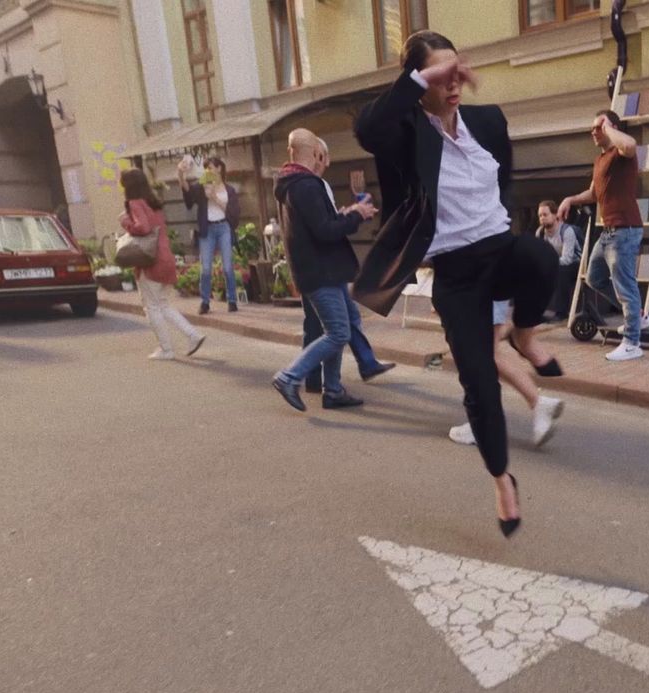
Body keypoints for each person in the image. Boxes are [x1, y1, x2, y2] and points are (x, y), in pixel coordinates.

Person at [353, 29, 562, 537]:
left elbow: (502, 178)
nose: (454, 82)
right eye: (439, 74)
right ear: (418, 80)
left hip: (499, 250)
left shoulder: (487, 121)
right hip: (457, 276)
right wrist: (417, 79)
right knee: (480, 389)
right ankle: (501, 481)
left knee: (540, 256)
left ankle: (526, 336)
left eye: (456, 69)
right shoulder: (405, 134)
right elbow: (366, 127)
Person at [269, 128, 384, 411]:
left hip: (321, 269)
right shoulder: (306, 185)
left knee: (340, 328)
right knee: (338, 333)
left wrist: (345, 214)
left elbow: (318, 225)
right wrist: (356, 215)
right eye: (324, 156)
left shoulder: (292, 183)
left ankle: (332, 390)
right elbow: (325, 231)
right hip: (322, 271)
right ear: (317, 154)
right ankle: (289, 376)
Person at [557, 109, 649, 361]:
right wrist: (569, 199)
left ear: (614, 128)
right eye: (593, 128)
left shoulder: (622, 153)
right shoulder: (601, 159)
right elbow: (593, 193)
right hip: (608, 232)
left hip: (625, 229)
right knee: (595, 278)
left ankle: (632, 342)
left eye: (600, 126)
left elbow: (630, 144)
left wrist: (608, 128)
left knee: (625, 286)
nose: (594, 131)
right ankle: (638, 316)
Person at [447, 298, 564, 448]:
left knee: (483, 353)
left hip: (484, 286)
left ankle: (482, 422)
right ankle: (538, 402)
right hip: (493, 288)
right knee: (486, 352)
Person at [119, 168, 205, 360]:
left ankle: (166, 349)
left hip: (149, 261)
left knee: (152, 307)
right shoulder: (154, 203)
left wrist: (126, 223)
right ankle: (193, 335)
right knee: (163, 304)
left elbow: (143, 227)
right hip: (165, 257)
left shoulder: (135, 203)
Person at [179, 155, 241, 314]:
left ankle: (232, 300)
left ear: (219, 168)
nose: (208, 170)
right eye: (205, 168)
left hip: (224, 228)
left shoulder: (229, 190)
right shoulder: (201, 187)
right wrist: (180, 174)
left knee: (228, 267)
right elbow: (187, 191)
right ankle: (205, 302)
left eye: (210, 167)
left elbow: (233, 213)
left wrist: (214, 197)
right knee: (205, 268)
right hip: (208, 229)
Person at [536, 199, 581, 322]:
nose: (542, 218)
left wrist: (549, 265)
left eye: (545, 214)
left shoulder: (566, 231)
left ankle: (561, 313)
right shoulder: (540, 233)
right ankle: (536, 312)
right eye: (540, 215)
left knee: (562, 271)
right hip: (555, 264)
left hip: (575, 264)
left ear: (555, 215)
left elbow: (567, 259)